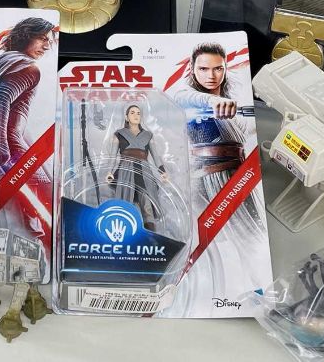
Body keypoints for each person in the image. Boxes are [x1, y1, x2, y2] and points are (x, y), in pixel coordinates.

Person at [0, 17, 57, 242]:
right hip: (9, 150)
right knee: (47, 201)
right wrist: (0, 149)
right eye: (42, 39)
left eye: (49, 41)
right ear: (26, 36)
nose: (47, 46)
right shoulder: (27, 67)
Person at [171, 42, 263, 238]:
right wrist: (212, 101)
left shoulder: (234, 102)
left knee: (252, 238)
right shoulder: (186, 96)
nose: (211, 76)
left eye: (217, 69)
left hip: (237, 178)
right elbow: (185, 98)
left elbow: (245, 131)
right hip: (205, 182)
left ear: (225, 68)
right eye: (203, 69)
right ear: (192, 68)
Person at [106, 104, 168, 231]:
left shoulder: (148, 135)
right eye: (132, 113)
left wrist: (162, 172)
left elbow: (156, 156)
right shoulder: (119, 134)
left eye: (138, 113)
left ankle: (151, 233)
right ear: (126, 117)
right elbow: (112, 156)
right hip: (126, 170)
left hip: (143, 171)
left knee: (147, 205)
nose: (136, 115)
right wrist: (109, 172)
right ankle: (123, 231)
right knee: (125, 203)